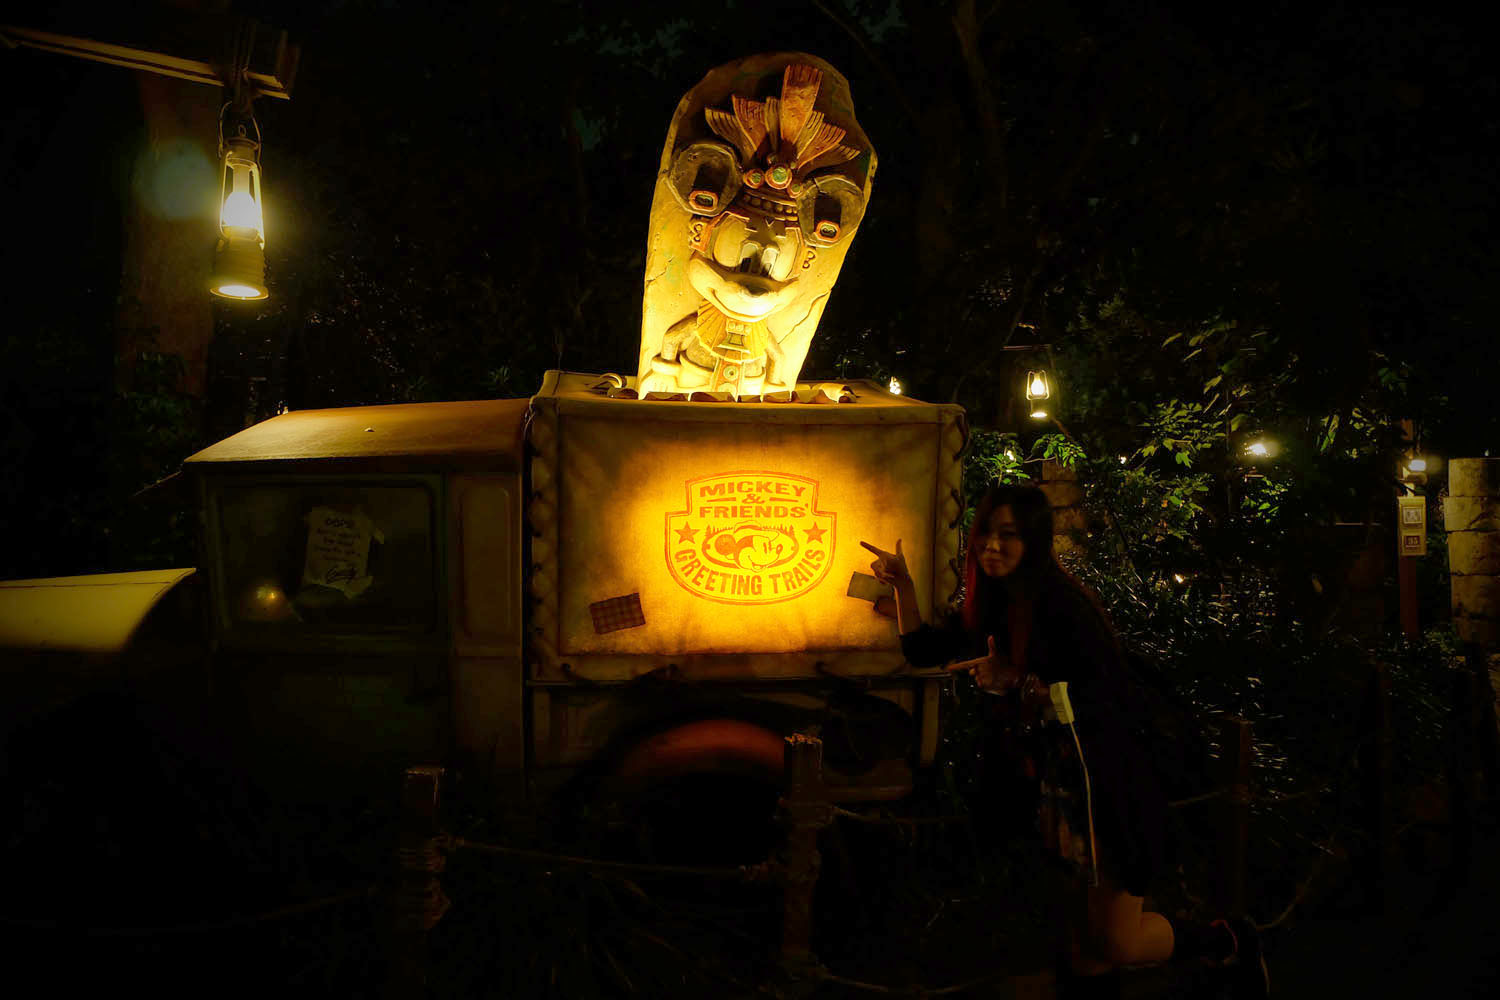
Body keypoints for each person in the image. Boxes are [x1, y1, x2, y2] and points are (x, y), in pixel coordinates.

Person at [861, 483, 1268, 999]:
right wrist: (902, 586)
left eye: (1009, 534)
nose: (991, 545)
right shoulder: (998, 602)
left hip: (1107, 786)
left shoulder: (1063, 605)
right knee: (1082, 943)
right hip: (1054, 787)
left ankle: (1226, 939)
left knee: (1117, 942)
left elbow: (1107, 697)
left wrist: (1017, 682)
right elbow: (925, 651)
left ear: (1035, 540)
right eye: (985, 532)